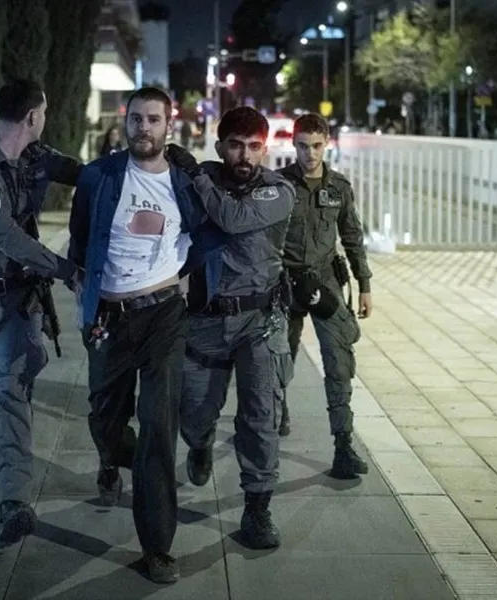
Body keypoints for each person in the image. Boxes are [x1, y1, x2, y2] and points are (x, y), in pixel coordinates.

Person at [67, 86, 295, 584]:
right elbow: (81, 236)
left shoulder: (203, 182)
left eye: (154, 119)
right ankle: (120, 455)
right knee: (109, 421)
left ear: (169, 127)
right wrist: (81, 283)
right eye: (136, 118)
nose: (143, 127)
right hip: (122, 317)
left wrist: (175, 272)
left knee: (169, 429)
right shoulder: (102, 176)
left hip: (182, 317)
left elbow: (224, 224)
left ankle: (162, 545)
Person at [0, 78, 82, 544]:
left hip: (18, 300)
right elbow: (5, 235)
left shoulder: (37, 159)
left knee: (12, 388)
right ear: (31, 116)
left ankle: (15, 502)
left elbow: (89, 175)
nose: (45, 121)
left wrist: (152, 162)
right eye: (43, 114)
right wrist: (67, 270)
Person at [179, 107, 295, 550]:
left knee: (260, 416)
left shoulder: (277, 190)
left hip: (259, 322)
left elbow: (233, 218)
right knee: (193, 414)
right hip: (205, 320)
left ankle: (258, 508)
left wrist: (198, 177)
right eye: (235, 145)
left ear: (264, 148)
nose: (244, 155)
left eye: (253, 146)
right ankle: (200, 444)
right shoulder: (199, 178)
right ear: (219, 146)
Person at [278, 113, 373, 480]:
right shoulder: (279, 185)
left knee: (338, 361)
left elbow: (352, 237)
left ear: (327, 144)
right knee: (278, 358)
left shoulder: (339, 187)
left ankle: (343, 444)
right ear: (294, 144)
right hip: (286, 283)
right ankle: (276, 410)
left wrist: (364, 285)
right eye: (303, 146)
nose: (310, 153)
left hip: (325, 282)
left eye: (317, 146)